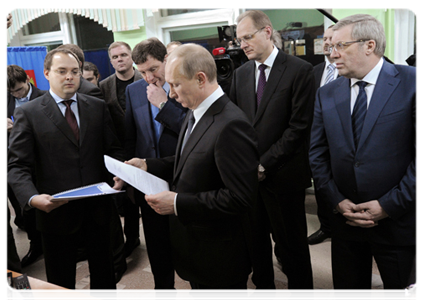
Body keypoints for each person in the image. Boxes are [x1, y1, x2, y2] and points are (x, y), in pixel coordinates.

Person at [119, 43, 259, 300]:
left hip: (220, 256)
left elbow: (240, 198)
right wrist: (148, 164)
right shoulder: (197, 112)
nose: (170, 94)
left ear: (201, 79)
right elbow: (187, 159)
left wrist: (177, 203)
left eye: (175, 85)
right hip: (199, 249)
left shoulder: (231, 124)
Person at [309, 14, 420, 300]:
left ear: (369, 45)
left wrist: (387, 205)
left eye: (340, 46)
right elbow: (317, 154)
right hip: (346, 223)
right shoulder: (326, 93)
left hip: (397, 222)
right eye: (330, 46)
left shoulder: (413, 83)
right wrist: (336, 201)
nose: (332, 54)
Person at [6, 48, 124, 300]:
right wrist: (31, 198)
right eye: (62, 71)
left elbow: (112, 149)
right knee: (61, 284)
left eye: (75, 72)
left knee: (105, 276)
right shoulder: (29, 113)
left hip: (98, 211)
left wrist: (119, 172)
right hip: (55, 214)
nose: (69, 77)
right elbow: (17, 166)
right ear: (46, 73)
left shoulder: (97, 106)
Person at [230, 10, 315, 300]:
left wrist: (264, 164)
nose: (242, 44)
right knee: (256, 243)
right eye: (239, 39)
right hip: (249, 179)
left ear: (267, 32)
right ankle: (264, 290)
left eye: (247, 37)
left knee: (291, 246)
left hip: (284, 175)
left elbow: (298, 127)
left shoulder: (299, 70)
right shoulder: (241, 74)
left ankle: (301, 294)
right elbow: (237, 124)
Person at [125, 37, 187, 300]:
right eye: (142, 72)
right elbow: (131, 136)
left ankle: (197, 288)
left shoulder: (182, 86)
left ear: (166, 61)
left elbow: (191, 131)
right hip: (148, 184)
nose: (149, 78)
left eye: (153, 69)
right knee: (157, 247)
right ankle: (165, 292)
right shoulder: (133, 90)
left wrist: (164, 102)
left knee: (187, 245)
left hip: (183, 181)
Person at [100, 41, 143, 259]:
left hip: (144, 147)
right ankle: (132, 239)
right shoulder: (104, 86)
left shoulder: (144, 79)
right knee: (126, 200)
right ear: (111, 61)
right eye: (115, 57)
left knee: (147, 194)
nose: (120, 59)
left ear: (131, 57)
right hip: (119, 150)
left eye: (124, 55)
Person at [5, 65, 47, 269]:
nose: (15, 94)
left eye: (19, 90)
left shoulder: (44, 97)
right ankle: (36, 245)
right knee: (26, 209)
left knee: (45, 207)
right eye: (11, 92)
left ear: (28, 81)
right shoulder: (6, 98)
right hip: (15, 163)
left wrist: (16, 129)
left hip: (40, 163)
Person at [307, 25, 338, 245]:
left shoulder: (348, 71)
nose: (327, 42)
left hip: (343, 141)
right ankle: (326, 227)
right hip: (319, 141)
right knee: (321, 185)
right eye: (324, 38)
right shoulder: (314, 71)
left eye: (331, 38)